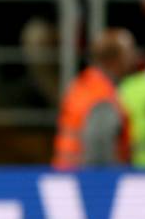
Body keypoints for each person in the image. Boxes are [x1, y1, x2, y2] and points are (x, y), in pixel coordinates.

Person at [52, 28, 137, 169]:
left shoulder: (84, 83)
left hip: (67, 177)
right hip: (85, 181)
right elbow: (98, 149)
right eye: (129, 54)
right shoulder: (102, 96)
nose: (133, 59)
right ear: (113, 60)